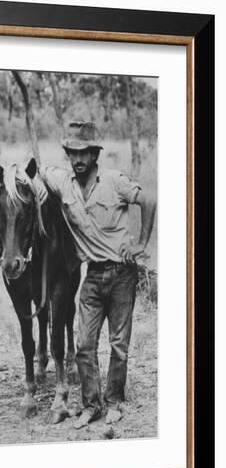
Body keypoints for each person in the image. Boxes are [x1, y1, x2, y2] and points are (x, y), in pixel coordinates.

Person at [40, 121, 156, 428]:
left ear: (94, 155)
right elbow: (39, 171)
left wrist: (142, 244)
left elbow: (149, 200)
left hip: (122, 274)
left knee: (118, 344)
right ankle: (91, 405)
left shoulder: (114, 181)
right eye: (72, 153)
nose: (77, 160)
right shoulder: (63, 182)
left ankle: (114, 402)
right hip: (91, 275)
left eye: (83, 154)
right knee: (84, 346)